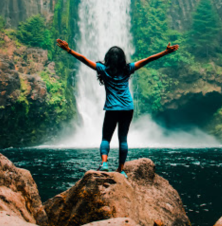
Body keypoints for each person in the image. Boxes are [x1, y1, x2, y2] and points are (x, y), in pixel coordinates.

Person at [56, 39, 179, 178]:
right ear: (122, 59)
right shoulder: (128, 68)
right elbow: (148, 59)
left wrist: (69, 50)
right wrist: (165, 52)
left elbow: (83, 59)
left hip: (112, 108)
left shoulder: (102, 69)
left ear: (107, 58)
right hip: (127, 108)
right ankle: (121, 169)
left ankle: (104, 163)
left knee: (106, 137)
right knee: (123, 139)